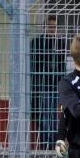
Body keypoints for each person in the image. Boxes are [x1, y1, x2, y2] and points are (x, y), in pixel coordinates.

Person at [30, 15, 67, 150]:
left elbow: (61, 64)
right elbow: (35, 64)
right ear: (45, 27)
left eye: (55, 27)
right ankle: (46, 144)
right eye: (50, 27)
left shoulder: (61, 43)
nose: (53, 29)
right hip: (42, 85)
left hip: (56, 84)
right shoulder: (37, 42)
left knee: (55, 115)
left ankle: (53, 143)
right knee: (45, 115)